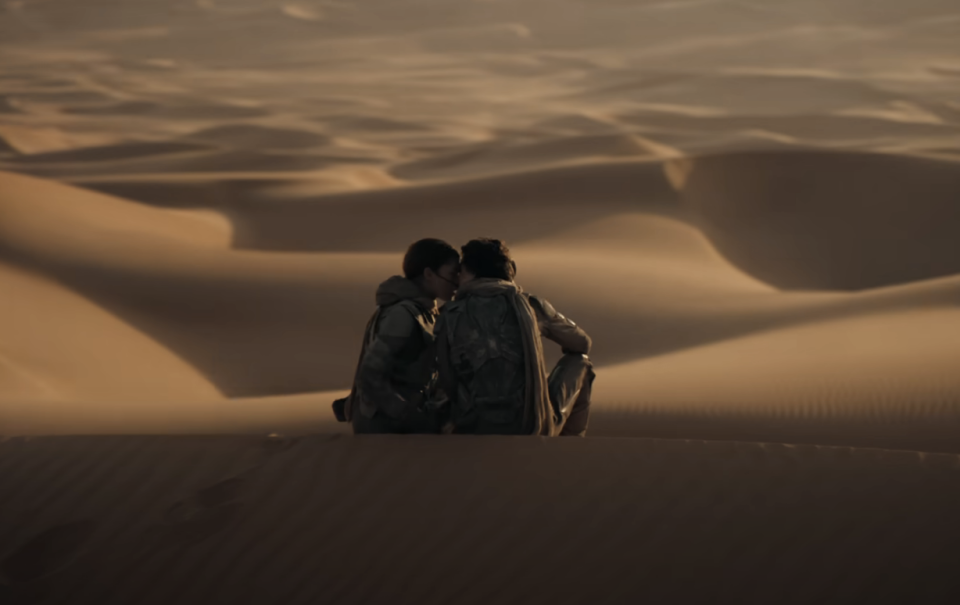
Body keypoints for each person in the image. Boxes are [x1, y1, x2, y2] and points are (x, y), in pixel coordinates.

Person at [434, 238, 594, 436]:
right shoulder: (531, 306)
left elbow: (447, 379)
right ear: (511, 270)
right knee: (580, 362)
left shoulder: (448, 314)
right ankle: (566, 449)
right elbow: (582, 343)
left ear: (468, 272)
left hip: (471, 428)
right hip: (532, 426)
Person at [332, 238, 460, 434]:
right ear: (428, 274)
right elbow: (369, 375)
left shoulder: (422, 311)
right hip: (386, 430)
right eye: (452, 274)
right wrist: (411, 416)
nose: (457, 282)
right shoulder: (403, 314)